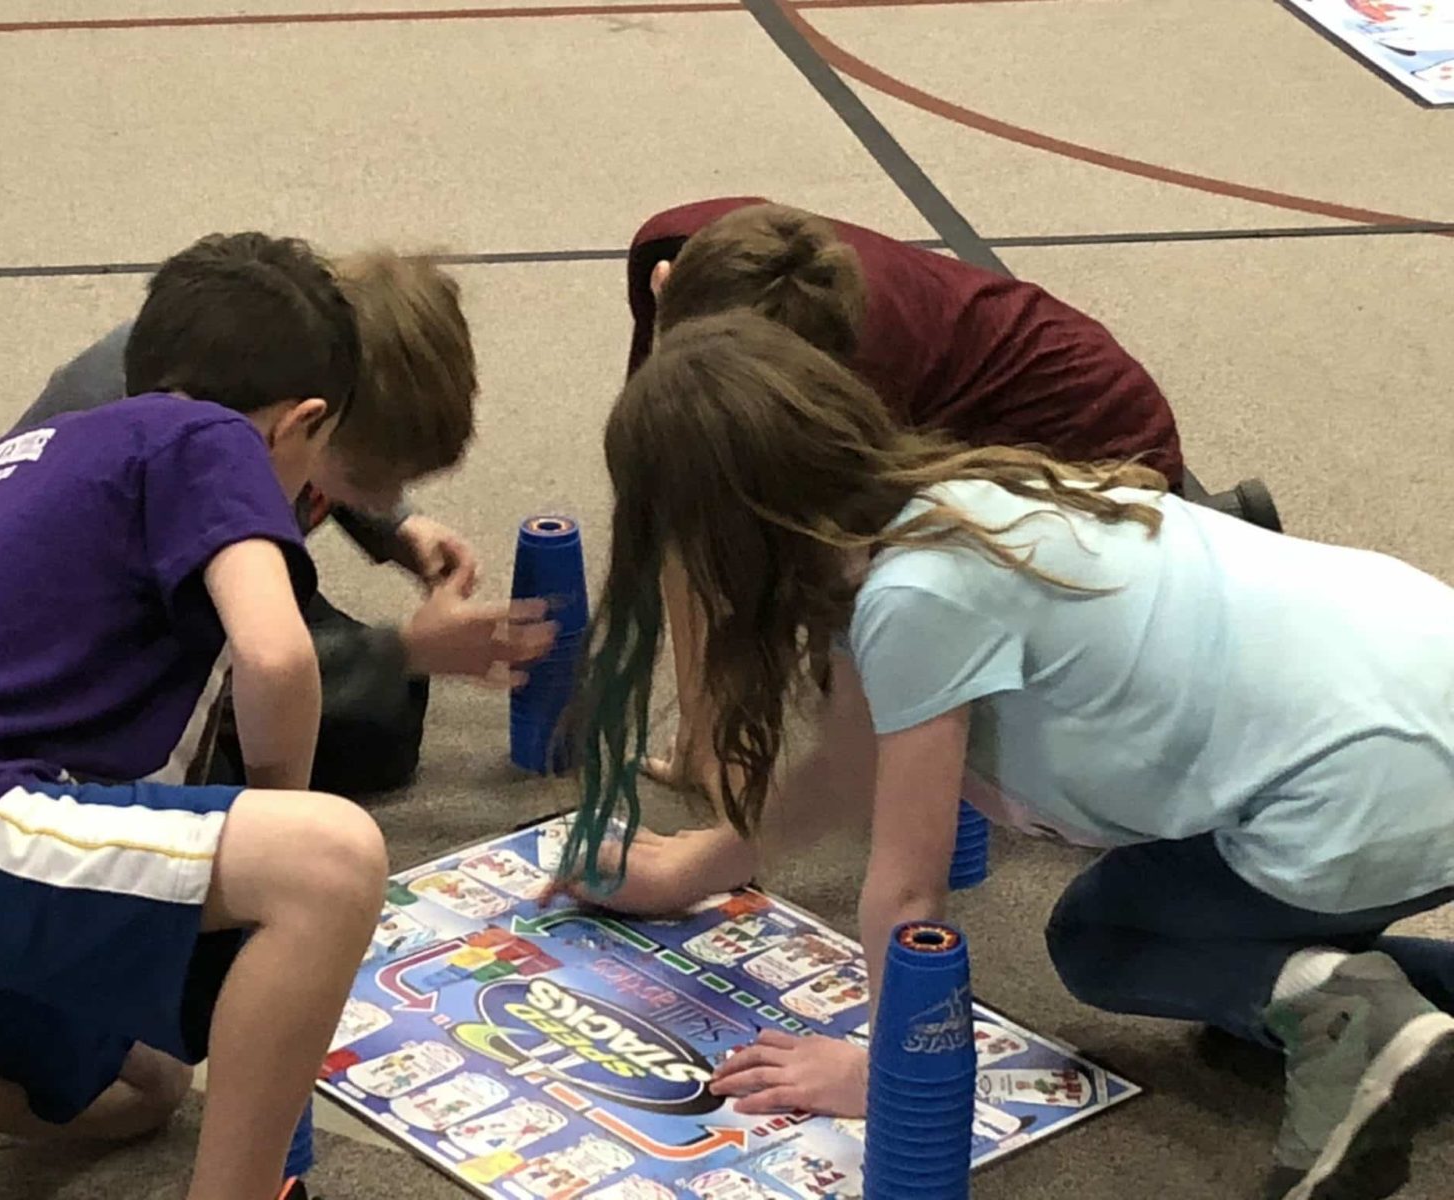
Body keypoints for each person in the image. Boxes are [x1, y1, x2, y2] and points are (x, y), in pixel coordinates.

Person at [557, 312, 1454, 1200]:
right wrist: (691, 871)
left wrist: (882, 1074)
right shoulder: (940, 506)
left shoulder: (914, 597)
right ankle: (1388, 1015)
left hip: (1377, 782)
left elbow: (909, 888)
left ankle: (1348, 1012)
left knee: (1107, 938)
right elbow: (847, 768)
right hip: (1416, 684)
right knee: (1208, 931)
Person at [0, 232, 487, 1200]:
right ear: (303, 424)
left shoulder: (77, 440)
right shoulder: (207, 437)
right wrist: (277, 826)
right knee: (330, 862)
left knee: (147, 1082)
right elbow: (274, 656)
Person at [622, 199, 1268, 808]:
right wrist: (705, 738)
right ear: (663, 283)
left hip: (1089, 433)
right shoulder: (681, 261)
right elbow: (684, 496)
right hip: (947, 411)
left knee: (914, 644)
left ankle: (1199, 542)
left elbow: (789, 564)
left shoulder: (844, 353)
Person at [19, 246, 550, 797]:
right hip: (100, 651)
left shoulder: (280, 361)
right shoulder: (179, 455)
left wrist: (395, 524)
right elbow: (241, 654)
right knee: (213, 783)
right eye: (374, 481)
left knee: (380, 727)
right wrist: (405, 649)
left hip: (195, 583)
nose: (389, 494)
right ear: (306, 423)